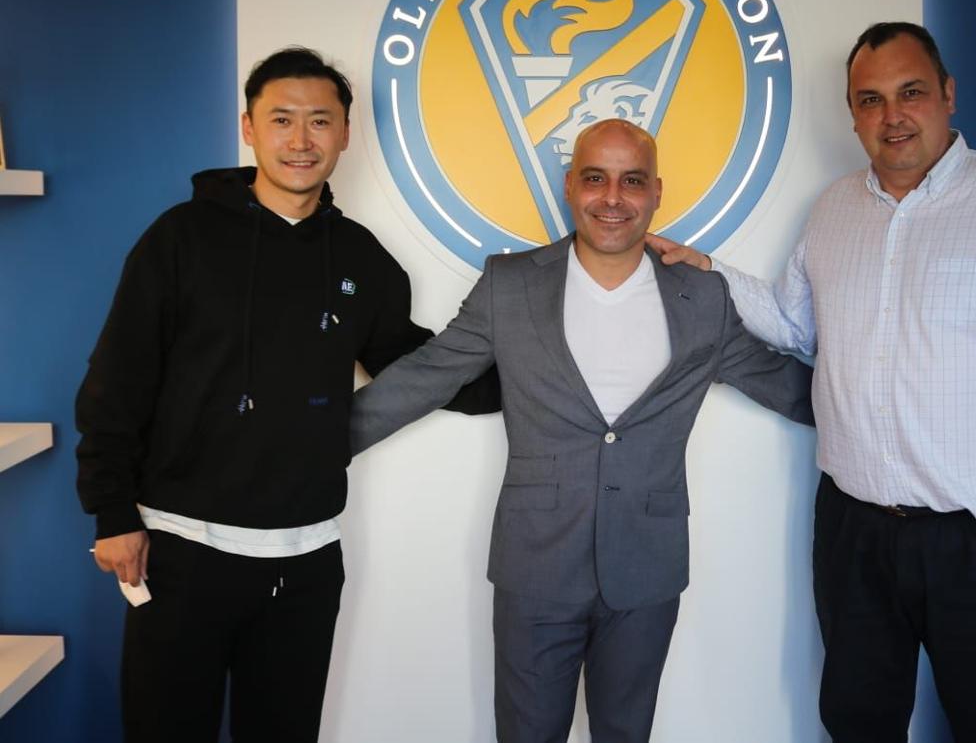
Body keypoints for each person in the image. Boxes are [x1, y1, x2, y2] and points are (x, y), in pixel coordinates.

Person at [646, 22, 976, 742]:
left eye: (910, 92)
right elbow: (796, 326)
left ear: (947, 94)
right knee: (857, 722)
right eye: (870, 100)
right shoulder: (834, 209)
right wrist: (709, 272)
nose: (892, 115)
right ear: (853, 115)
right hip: (854, 530)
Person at [75, 47, 498, 743]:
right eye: (282, 120)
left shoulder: (360, 256)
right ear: (249, 128)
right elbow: (118, 378)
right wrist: (112, 511)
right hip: (180, 550)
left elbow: (409, 362)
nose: (301, 141)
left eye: (319, 122)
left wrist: (531, 380)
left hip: (306, 558)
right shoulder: (179, 238)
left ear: (345, 135)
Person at [349, 118, 814, 742]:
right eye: (595, 179)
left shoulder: (701, 299)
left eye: (632, 181)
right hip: (534, 566)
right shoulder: (509, 284)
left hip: (646, 569)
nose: (613, 198)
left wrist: (877, 423)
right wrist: (316, 448)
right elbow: (429, 375)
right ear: (571, 186)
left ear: (656, 192)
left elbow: (781, 383)